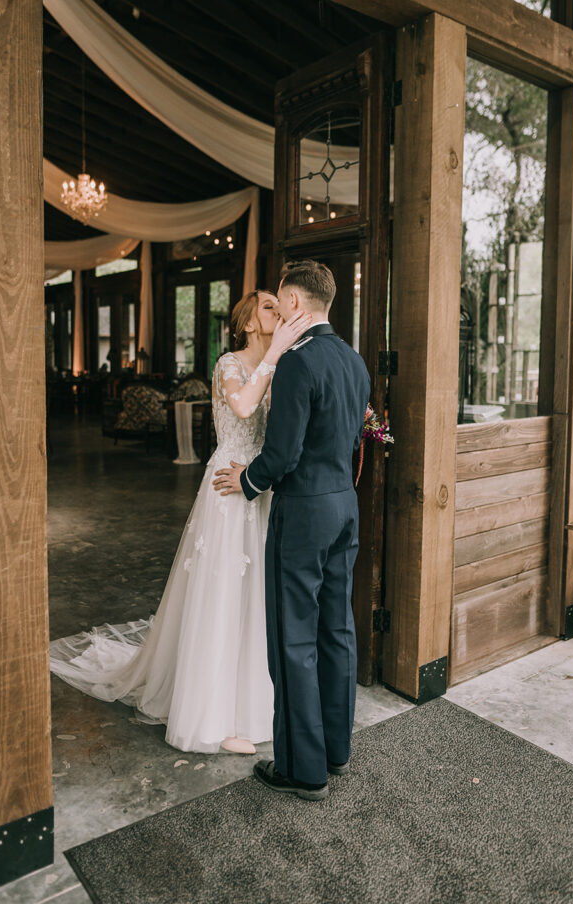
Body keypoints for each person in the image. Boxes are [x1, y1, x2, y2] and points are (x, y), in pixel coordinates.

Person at [49, 290, 313, 755]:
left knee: (257, 597)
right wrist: (275, 355)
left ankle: (256, 703)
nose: (278, 312)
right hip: (228, 488)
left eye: (279, 305)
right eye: (269, 306)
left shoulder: (280, 364)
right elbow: (244, 410)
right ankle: (216, 715)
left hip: (260, 485)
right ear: (248, 323)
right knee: (225, 596)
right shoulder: (230, 364)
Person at [213, 260, 370, 799]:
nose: (279, 313)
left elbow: (281, 454)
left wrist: (249, 480)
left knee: (294, 638)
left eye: (282, 303)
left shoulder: (299, 364)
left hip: (302, 512)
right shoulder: (354, 360)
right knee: (337, 629)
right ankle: (336, 749)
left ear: (297, 305)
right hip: (344, 506)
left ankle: (303, 769)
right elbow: (351, 442)